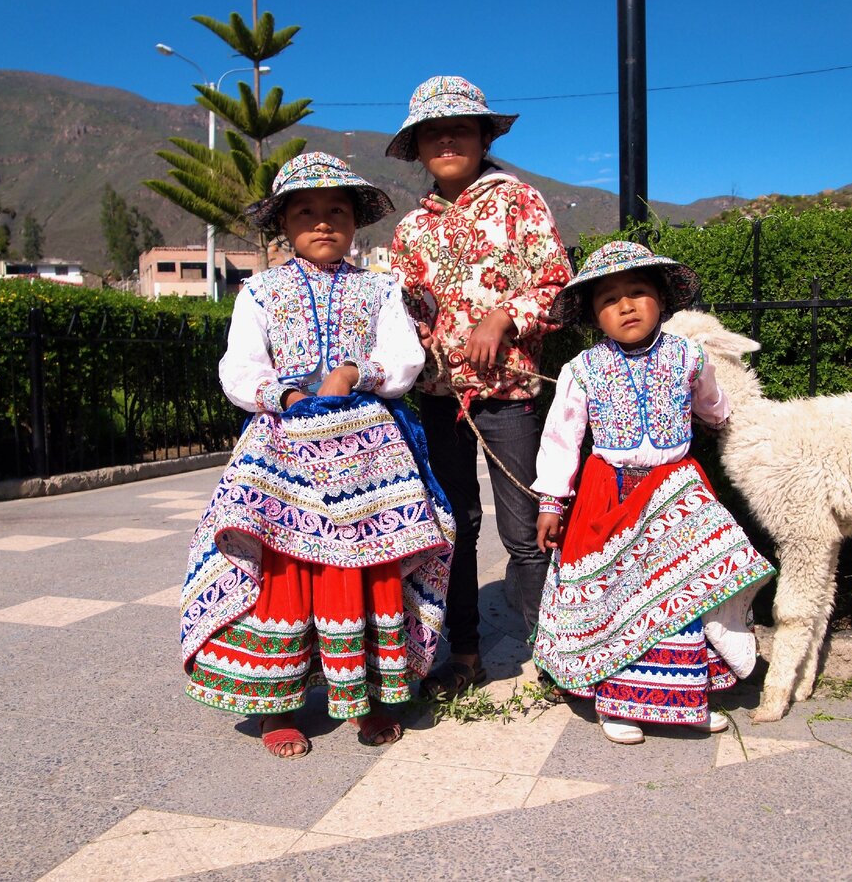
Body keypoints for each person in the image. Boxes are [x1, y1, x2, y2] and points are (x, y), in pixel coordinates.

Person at [180, 152, 454, 759]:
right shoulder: (260, 291)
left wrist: (358, 371)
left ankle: (373, 696)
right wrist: (286, 393)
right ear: (284, 222)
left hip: (369, 449)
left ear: (356, 221)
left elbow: (404, 357)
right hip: (283, 442)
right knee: (285, 563)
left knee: (368, 563)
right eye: (306, 212)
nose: (324, 222)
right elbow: (240, 365)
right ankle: (276, 704)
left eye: (337, 211)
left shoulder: (381, 289)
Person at [530, 241, 776, 745]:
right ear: (594, 315)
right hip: (610, 494)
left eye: (638, 292)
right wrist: (553, 501)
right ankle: (621, 702)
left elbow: (713, 404)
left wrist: (724, 419)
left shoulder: (689, 355)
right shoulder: (582, 369)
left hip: (674, 490)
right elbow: (561, 437)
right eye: (609, 299)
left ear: (661, 300)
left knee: (681, 594)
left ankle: (687, 697)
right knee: (620, 599)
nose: (625, 305)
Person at [387, 75, 571, 697]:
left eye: (459, 128)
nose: (446, 139)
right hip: (441, 402)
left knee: (525, 533)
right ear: (416, 147)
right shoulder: (411, 230)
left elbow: (556, 286)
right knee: (455, 527)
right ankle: (462, 655)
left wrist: (504, 316)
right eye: (432, 133)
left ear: (482, 136)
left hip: (510, 399)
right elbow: (402, 315)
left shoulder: (521, 202)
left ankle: (552, 655)